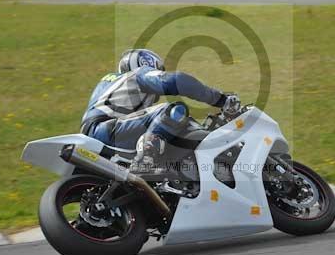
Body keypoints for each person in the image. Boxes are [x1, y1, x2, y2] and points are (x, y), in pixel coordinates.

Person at [81, 49, 240, 172]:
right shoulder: (138, 74)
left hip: (101, 132)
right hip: (106, 130)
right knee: (173, 110)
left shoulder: (112, 83)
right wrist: (220, 99)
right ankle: (145, 158)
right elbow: (177, 80)